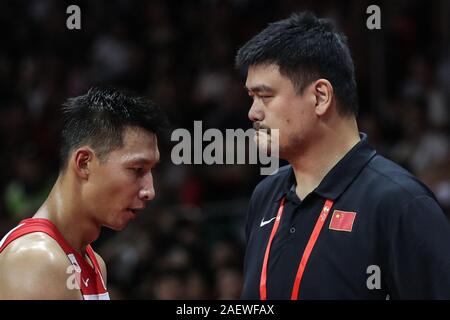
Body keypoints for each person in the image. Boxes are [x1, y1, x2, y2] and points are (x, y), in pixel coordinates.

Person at [235, 12, 450, 299]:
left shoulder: (400, 203)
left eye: (265, 96)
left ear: (321, 96)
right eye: (251, 98)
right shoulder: (265, 196)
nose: (253, 113)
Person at [0, 87, 167, 299]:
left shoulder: (94, 262)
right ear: (84, 163)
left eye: (151, 171)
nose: (150, 191)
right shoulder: (36, 260)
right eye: (137, 169)